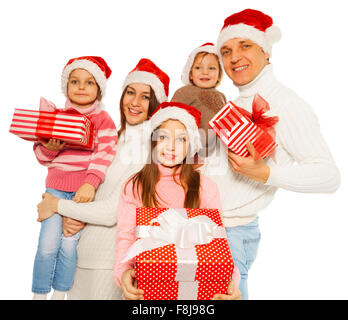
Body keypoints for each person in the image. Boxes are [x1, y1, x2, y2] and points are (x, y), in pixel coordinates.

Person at [199, 9, 341, 300]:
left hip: (230, 234)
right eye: (226, 50)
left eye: (245, 46)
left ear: (266, 51)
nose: (234, 57)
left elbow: (329, 176)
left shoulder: (285, 103)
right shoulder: (234, 103)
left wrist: (265, 173)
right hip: (205, 228)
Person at [36, 58, 170, 299]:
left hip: (107, 261)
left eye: (145, 97)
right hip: (78, 252)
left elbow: (112, 211)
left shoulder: (148, 149)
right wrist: (66, 212)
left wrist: (57, 206)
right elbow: (81, 184)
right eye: (130, 92)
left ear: (156, 105)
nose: (135, 102)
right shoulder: (114, 138)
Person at [114, 102, 241, 300]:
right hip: (147, 290)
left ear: (191, 146)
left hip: (197, 291)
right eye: (163, 137)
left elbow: (218, 239)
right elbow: (126, 236)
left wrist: (231, 281)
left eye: (181, 139)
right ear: (152, 141)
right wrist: (123, 272)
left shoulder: (205, 187)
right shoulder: (134, 186)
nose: (171, 146)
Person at [32, 56, 118, 300]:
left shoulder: (103, 120)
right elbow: (41, 155)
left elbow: (104, 155)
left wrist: (90, 184)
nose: (81, 87)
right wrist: (51, 147)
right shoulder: (55, 116)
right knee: (48, 246)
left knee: (69, 247)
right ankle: (39, 294)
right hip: (56, 190)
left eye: (89, 82)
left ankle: (60, 293)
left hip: (83, 192)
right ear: (66, 86)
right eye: (75, 81)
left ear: (99, 89)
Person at [171, 43, 226, 153]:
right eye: (198, 68)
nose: (205, 72)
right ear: (190, 74)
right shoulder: (185, 92)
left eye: (211, 68)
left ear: (219, 73)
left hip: (215, 152)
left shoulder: (221, 96)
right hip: (189, 150)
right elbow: (171, 116)